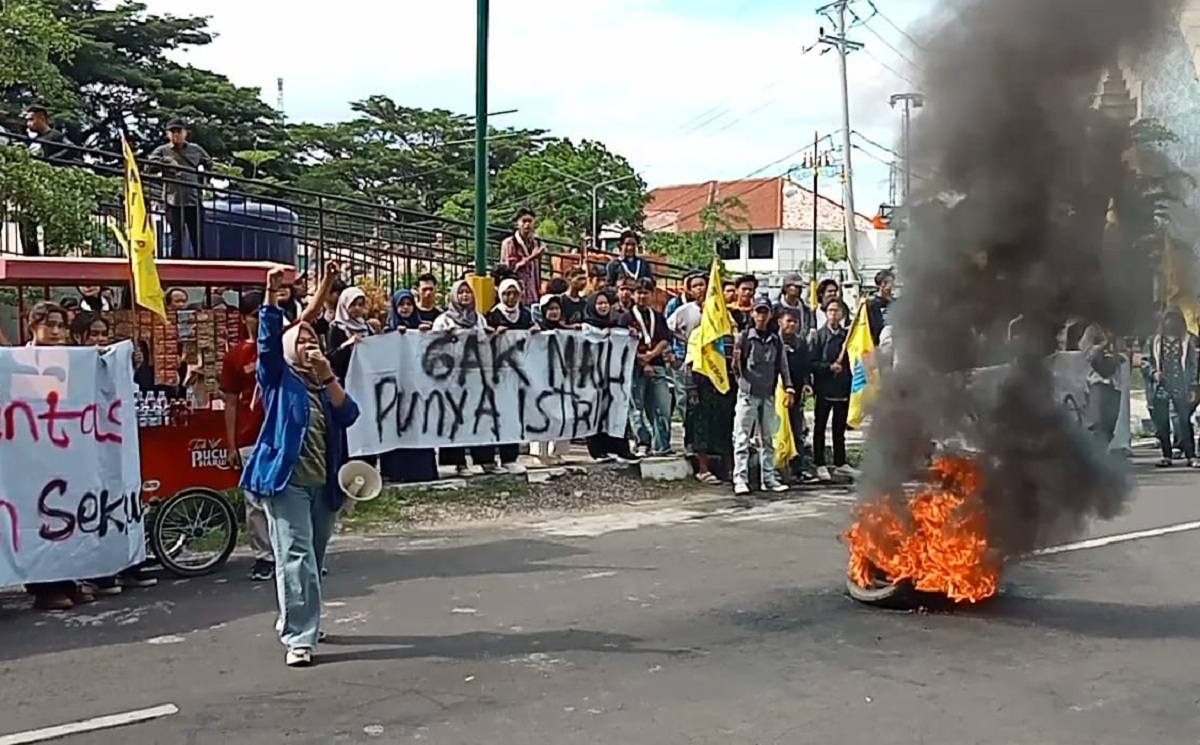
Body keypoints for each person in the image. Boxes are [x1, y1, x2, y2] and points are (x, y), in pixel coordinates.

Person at [241, 266, 360, 667]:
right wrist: (272, 294)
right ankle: (300, 637)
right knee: (296, 556)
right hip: (286, 480)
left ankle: (300, 617)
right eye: (302, 338)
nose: (309, 343)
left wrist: (329, 379)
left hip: (324, 484)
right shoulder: (278, 377)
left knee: (315, 557)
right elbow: (267, 345)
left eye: (314, 338)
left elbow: (350, 416)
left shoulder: (324, 382)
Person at [21, 302, 96, 611]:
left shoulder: (73, 361)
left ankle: (66, 580)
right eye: (49, 324)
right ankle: (42, 587)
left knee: (66, 519)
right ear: (33, 326)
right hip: (29, 457)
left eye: (61, 326)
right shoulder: (17, 361)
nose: (55, 331)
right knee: (38, 522)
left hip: (64, 454)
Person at [434, 281, 504, 475]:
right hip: (453, 376)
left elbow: (484, 343)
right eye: (461, 292)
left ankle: (485, 460)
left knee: (480, 416)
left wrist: (490, 334)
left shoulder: (479, 319)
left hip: (476, 375)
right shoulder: (443, 320)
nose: (465, 296)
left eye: (468, 292)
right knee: (456, 418)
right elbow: (433, 346)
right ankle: (459, 463)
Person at [731, 295, 794, 498]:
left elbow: (782, 365)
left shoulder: (775, 340)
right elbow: (736, 367)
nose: (761, 315)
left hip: (768, 394)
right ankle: (740, 479)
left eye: (764, 311)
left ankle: (768, 478)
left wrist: (789, 386)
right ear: (752, 313)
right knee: (742, 437)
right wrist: (743, 385)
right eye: (758, 311)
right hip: (748, 394)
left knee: (767, 438)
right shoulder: (743, 338)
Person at [377, 288, 439, 484]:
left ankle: (422, 471)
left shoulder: (421, 329)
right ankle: (394, 471)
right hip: (395, 391)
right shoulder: (387, 330)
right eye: (401, 305)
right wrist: (394, 335)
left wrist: (424, 335)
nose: (405, 308)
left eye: (409, 304)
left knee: (418, 425)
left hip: (417, 390)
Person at [484, 278, 536, 475]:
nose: (511, 298)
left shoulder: (525, 315)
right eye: (507, 294)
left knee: (512, 416)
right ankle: (488, 458)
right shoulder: (493, 315)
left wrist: (534, 332)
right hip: (496, 373)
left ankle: (509, 457)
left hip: (518, 374)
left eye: (514, 293)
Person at [582, 290, 638, 463]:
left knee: (617, 411)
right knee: (596, 412)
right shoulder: (586, 326)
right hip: (593, 379)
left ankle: (621, 449)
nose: (603, 306)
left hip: (613, 379)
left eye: (605, 303)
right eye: (599, 303)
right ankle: (598, 451)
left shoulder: (617, 324)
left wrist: (630, 334)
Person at [619, 277, 673, 457]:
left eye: (646, 293)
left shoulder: (657, 316)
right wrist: (641, 359)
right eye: (639, 293)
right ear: (633, 295)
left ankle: (662, 444)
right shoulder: (625, 318)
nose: (642, 296)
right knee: (636, 408)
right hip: (634, 367)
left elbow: (664, 339)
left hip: (657, 365)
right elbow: (622, 342)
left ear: (652, 295)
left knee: (662, 407)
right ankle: (643, 442)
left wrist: (651, 356)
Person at [19, 105, 81, 256]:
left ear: (41, 118)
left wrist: (51, 160)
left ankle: (51, 254)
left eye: (31, 120)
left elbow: (72, 148)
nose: (28, 124)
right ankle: (30, 255)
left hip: (49, 185)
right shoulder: (35, 139)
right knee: (27, 219)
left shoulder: (55, 136)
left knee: (50, 222)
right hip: (34, 184)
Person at [149, 119, 213, 259]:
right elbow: (149, 166)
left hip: (193, 199)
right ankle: (175, 269)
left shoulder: (196, 150)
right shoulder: (162, 151)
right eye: (173, 132)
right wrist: (166, 161)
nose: (176, 135)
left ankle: (202, 270)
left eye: (179, 131)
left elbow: (209, 163)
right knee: (176, 238)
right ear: (168, 134)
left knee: (197, 238)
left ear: (185, 133)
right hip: (173, 200)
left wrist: (205, 181)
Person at [1144, 307, 1197, 468]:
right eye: (1168, 318)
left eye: (1174, 318)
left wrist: (1193, 387)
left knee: (1183, 421)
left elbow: (1193, 365)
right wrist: (1153, 373)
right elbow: (1146, 361)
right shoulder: (1154, 341)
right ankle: (1166, 455)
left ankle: (1191, 455)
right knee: (1162, 422)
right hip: (1161, 386)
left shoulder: (1188, 340)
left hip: (1182, 386)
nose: (1170, 322)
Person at [811, 298, 852, 481]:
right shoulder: (818, 336)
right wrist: (828, 367)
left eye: (837, 311)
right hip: (824, 388)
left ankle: (840, 462)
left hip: (842, 388)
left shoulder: (847, 337)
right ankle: (819, 463)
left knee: (839, 428)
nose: (834, 314)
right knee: (820, 428)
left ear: (842, 314)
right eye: (830, 311)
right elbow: (812, 363)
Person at [778, 309, 815, 482]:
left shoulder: (801, 343)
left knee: (797, 430)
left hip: (797, 392)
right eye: (788, 321)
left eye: (795, 322)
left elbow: (806, 367)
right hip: (776, 392)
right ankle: (777, 468)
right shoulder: (774, 341)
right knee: (776, 430)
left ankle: (798, 468)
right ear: (780, 322)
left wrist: (807, 384)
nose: (792, 325)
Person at [1079, 324, 1123, 447]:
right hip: (1096, 382)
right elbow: (1086, 353)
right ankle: (1096, 455)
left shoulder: (1118, 332)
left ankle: (1104, 451)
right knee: (1097, 423)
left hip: (1115, 382)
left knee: (1110, 424)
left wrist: (1117, 355)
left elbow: (1125, 353)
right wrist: (1102, 344)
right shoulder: (1092, 330)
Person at [326, 286, 374, 382]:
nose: (357, 308)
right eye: (352, 305)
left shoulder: (366, 326)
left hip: (366, 377)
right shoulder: (337, 328)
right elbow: (333, 357)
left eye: (360, 305)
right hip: (346, 378)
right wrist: (347, 344)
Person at [500, 208, 544, 305]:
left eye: (530, 221)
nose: (527, 224)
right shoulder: (509, 243)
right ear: (517, 224)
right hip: (515, 292)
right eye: (524, 221)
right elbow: (510, 268)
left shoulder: (535, 243)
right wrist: (531, 257)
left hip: (532, 293)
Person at [865, 269, 895, 346]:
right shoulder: (872, 304)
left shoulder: (895, 302)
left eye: (891, 282)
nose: (888, 286)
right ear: (879, 284)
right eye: (885, 282)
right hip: (879, 343)